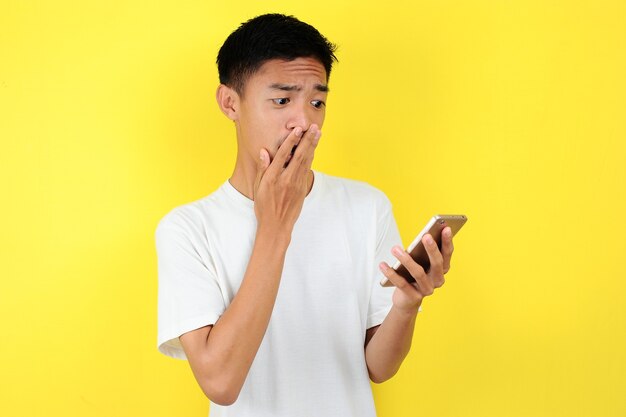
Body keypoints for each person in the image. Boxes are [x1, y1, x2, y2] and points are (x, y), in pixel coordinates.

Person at [156, 13, 455, 417]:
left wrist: (405, 304)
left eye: (317, 102)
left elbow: (377, 367)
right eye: (282, 100)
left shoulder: (367, 206)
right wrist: (275, 226)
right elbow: (221, 383)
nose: (306, 121)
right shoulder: (187, 229)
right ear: (230, 103)